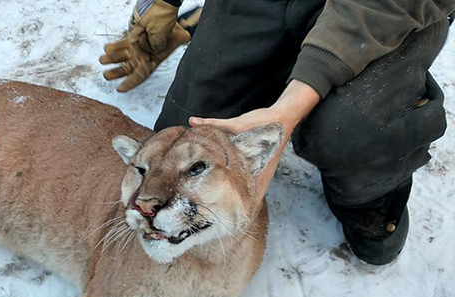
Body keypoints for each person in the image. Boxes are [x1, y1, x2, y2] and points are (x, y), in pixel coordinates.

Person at [100, 0, 455, 265]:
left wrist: (287, 114)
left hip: (385, 8)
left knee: (345, 126)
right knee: (188, 134)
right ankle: (248, 42)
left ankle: (371, 189)